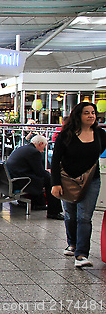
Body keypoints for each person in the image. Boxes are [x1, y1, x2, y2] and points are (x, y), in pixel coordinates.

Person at [51, 102, 106, 268]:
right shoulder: (66, 135)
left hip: (91, 180)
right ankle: (72, 243)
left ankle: (81, 254)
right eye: (86, 113)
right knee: (70, 214)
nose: (91, 116)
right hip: (67, 180)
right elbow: (55, 160)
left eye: (93, 113)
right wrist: (56, 183)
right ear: (78, 116)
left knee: (84, 217)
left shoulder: (100, 134)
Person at [6, 135, 64, 219]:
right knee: (51, 181)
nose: (43, 150)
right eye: (44, 147)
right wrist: (51, 176)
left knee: (46, 178)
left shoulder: (23, 148)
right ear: (40, 144)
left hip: (13, 178)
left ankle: (38, 204)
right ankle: (54, 212)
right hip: (21, 181)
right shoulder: (34, 152)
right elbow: (39, 172)